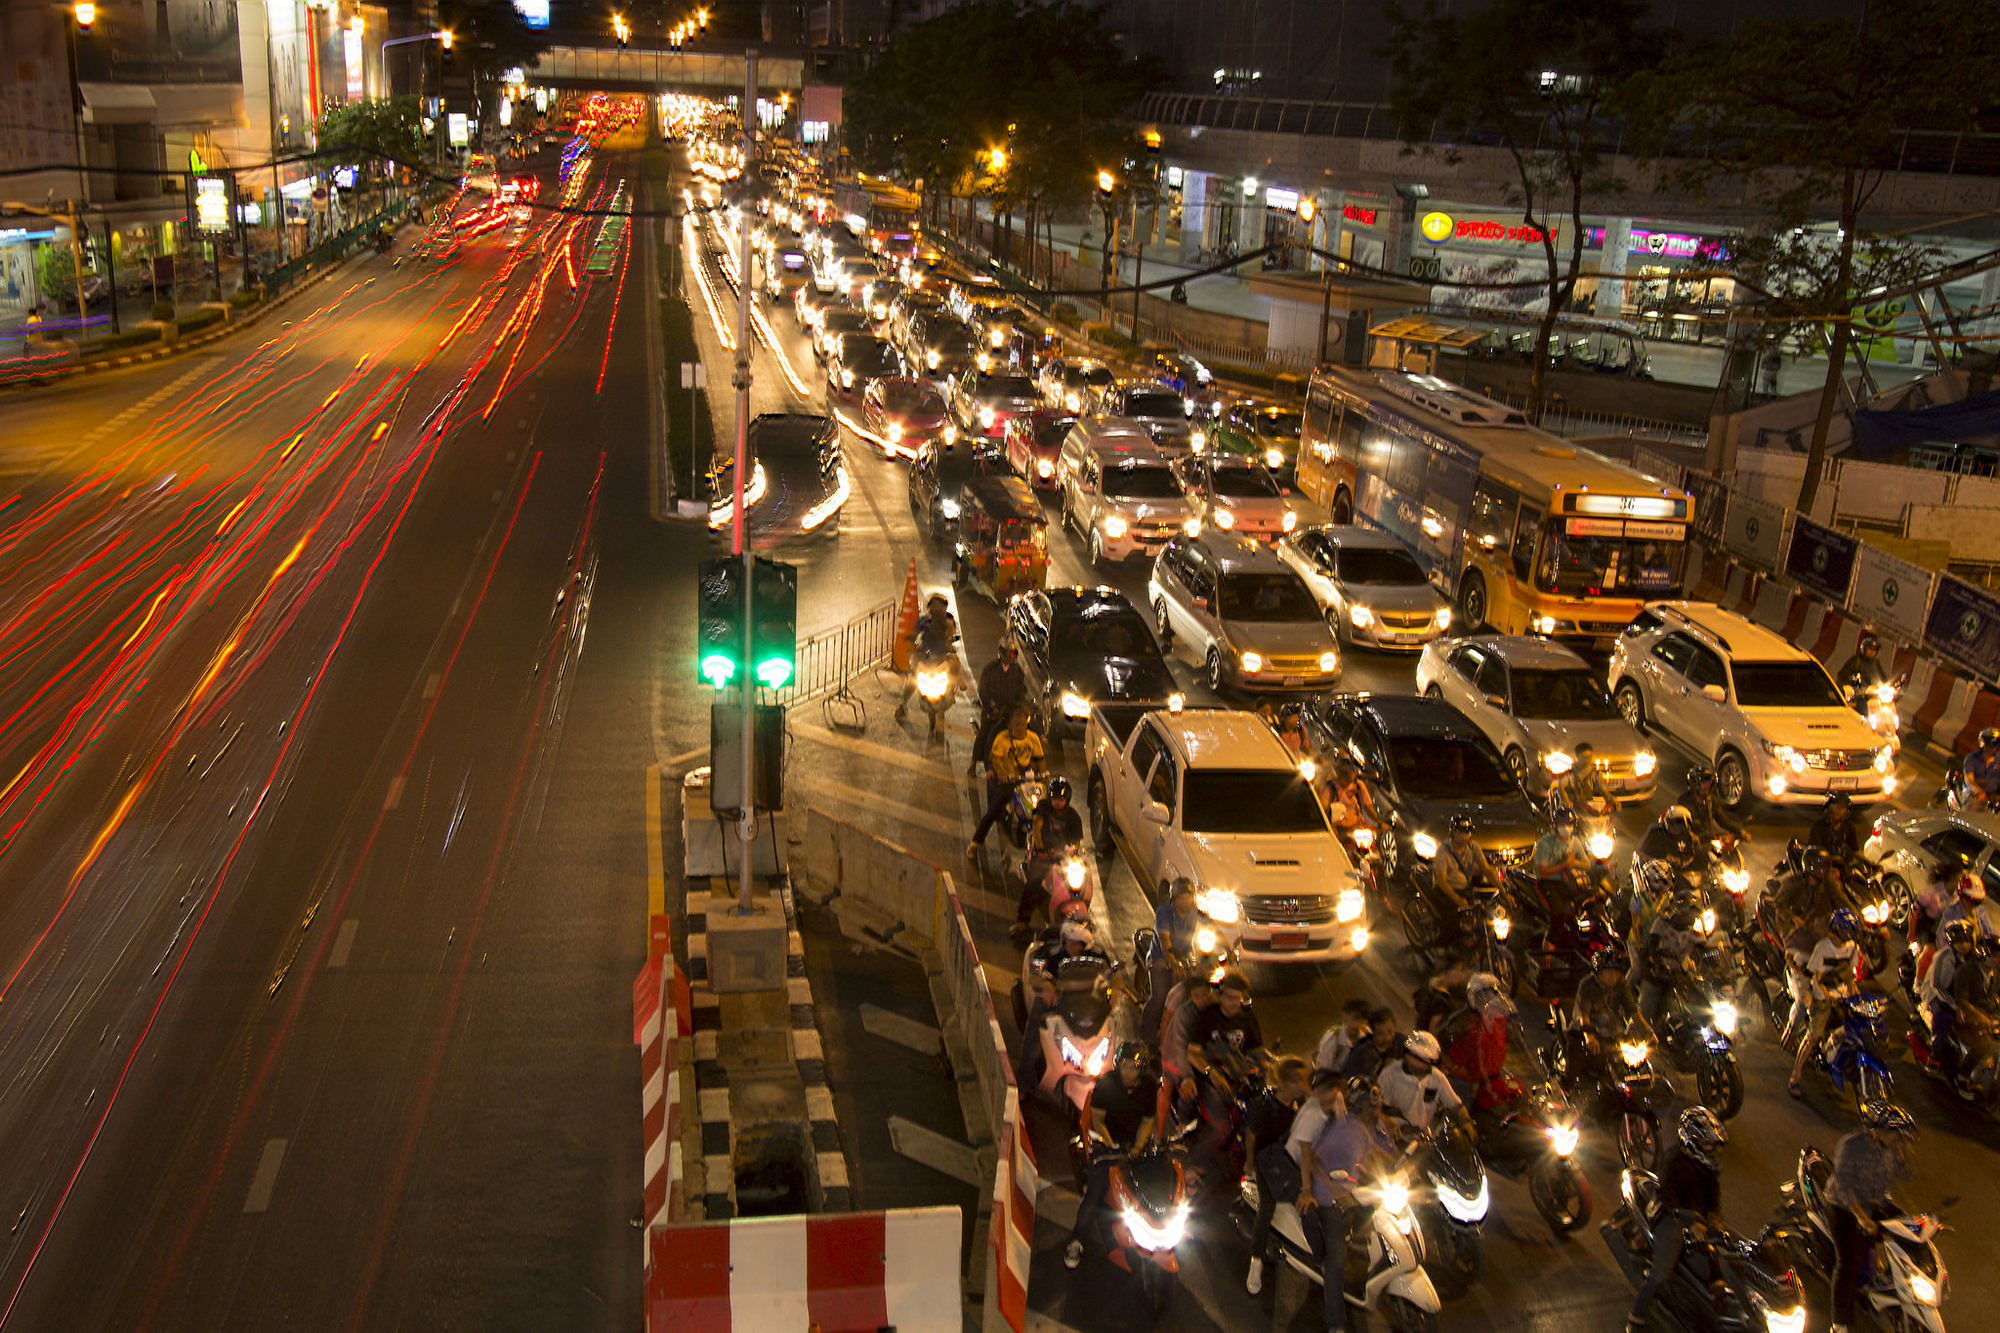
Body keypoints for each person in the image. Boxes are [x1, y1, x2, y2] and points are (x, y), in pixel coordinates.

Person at [1298, 1078, 1398, 1331]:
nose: (1379, 1112)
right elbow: (1314, 1157)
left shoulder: (1363, 1129)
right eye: (1374, 1108)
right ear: (1362, 1108)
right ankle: (1337, 1324)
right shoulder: (1346, 1132)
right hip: (1330, 1200)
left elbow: (1374, 1154)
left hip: (1348, 1195)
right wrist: (1331, 1187)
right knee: (1336, 1261)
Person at [1626, 1108, 1729, 1333]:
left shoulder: (1708, 1167)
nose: (1713, 1150)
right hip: (1672, 1219)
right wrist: (1692, 1222)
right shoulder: (1673, 1162)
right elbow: (1670, 1201)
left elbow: (1713, 1197)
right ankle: (1636, 1317)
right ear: (1693, 1141)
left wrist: (1715, 1218)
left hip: (1697, 1220)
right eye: (1709, 1145)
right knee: (1660, 1273)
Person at [1064, 1041, 1162, 1268]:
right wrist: (1111, 1145)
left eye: (1134, 1067)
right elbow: (1097, 1120)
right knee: (1096, 1191)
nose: (1128, 1071)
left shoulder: (1148, 1086)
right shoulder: (1106, 1085)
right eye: (1125, 1065)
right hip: (1107, 1143)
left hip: (1135, 1144)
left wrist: (1137, 1148)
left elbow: (1148, 1120)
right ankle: (1076, 1240)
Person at [1827, 1101, 1918, 1333]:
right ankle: (1839, 1323)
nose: (1898, 1137)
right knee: (1848, 1264)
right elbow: (1845, 1188)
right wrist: (1861, 1218)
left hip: (1874, 1202)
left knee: (1909, 1227)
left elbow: (1905, 1175)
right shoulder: (1851, 1146)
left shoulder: (1892, 1147)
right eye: (1895, 1133)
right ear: (1878, 1131)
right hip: (1845, 1208)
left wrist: (1907, 1154)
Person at [1243, 1055, 1313, 1294]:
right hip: (1266, 1161)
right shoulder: (1265, 1106)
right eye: (1299, 1081)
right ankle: (1256, 1262)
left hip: (1288, 1159)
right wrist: (1250, 1161)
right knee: (1267, 1208)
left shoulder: (1299, 1105)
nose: (1304, 1086)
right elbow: (1251, 1135)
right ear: (1284, 1082)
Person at [1787, 908, 1862, 1098]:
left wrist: (1856, 997)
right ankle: (1795, 1077)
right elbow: (1817, 979)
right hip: (1822, 997)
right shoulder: (1823, 948)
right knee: (1814, 1036)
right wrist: (1827, 994)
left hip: (1841, 995)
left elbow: (1850, 977)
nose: (1847, 936)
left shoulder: (1853, 948)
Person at [1919, 918, 1995, 1076]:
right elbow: (1938, 986)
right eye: (1960, 941)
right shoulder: (1944, 957)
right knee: (1943, 1021)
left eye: (1967, 941)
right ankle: (1934, 1056)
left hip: (1958, 998)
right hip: (1941, 998)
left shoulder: (1973, 958)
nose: (1964, 945)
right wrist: (1956, 1006)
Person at [967, 707, 1043, 859]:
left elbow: (1040, 760)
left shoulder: (1033, 738)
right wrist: (1004, 776)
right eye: (1017, 724)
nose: (1021, 727)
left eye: (1023, 723)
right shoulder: (1002, 739)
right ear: (1010, 725)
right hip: (1009, 783)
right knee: (993, 811)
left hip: (1028, 782)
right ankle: (975, 843)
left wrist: (1041, 777)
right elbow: (996, 761)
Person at [1013, 778, 1084, 938]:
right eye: (1054, 798)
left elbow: (1076, 842)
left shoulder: (1074, 817)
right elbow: (1037, 828)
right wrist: (1041, 849)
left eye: (1060, 799)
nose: (1057, 802)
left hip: (1062, 856)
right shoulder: (1044, 808)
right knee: (1033, 884)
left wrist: (1074, 854)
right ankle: (1022, 921)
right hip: (1043, 853)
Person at [1377, 1028, 1472, 1137]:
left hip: (1421, 1138)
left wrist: (1466, 1122)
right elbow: (1375, 1107)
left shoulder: (1437, 1078)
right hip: (1392, 1138)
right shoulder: (1389, 1075)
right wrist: (1388, 1122)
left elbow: (1456, 1106)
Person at [1638, 887, 1706, 1026]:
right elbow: (1652, 947)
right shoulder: (1661, 923)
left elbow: (1702, 950)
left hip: (1680, 975)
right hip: (1657, 975)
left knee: (1703, 1007)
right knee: (1645, 1014)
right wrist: (1660, 965)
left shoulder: (1695, 929)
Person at [1571, 945, 1645, 1073]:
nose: (1613, 976)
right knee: (1575, 1063)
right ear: (1598, 972)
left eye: (1616, 972)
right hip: (1584, 1028)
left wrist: (1648, 1032)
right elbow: (1584, 1014)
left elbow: (1632, 1009)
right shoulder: (1587, 985)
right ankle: (1565, 1086)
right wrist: (1589, 1036)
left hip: (1611, 1029)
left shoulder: (1621, 984)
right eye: (1609, 972)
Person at [1143, 879, 1202, 1036]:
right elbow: (1164, 939)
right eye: (1181, 897)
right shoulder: (1164, 912)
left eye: (1188, 896)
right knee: (1159, 997)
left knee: (1198, 990)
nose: (1185, 901)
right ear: (1174, 898)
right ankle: (1146, 1033)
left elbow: (1212, 927)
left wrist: (1227, 948)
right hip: (1160, 957)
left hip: (1184, 956)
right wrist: (1172, 962)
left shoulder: (1194, 912)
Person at [896, 593, 960, 722]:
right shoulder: (925, 620)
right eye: (934, 606)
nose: (937, 609)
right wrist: (911, 647)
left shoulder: (948, 620)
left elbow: (952, 635)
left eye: (939, 606)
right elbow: (914, 635)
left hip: (942, 658)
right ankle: (902, 705)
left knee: (955, 669)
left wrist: (950, 643)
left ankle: (953, 691)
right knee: (914, 678)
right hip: (925, 658)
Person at [971, 639, 1027, 776]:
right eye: (1009, 653)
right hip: (992, 710)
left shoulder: (1018, 671)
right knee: (984, 732)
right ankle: (972, 765)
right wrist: (991, 706)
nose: (1011, 657)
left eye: (1013, 654)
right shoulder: (990, 669)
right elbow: (982, 690)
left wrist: (1023, 706)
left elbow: (1022, 692)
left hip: (1010, 710)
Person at [1431, 815, 1500, 922]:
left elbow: (1487, 870)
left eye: (1466, 832)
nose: (1463, 836)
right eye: (1460, 832)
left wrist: (1504, 891)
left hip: (1465, 890)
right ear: (1453, 833)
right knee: (1450, 924)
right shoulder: (1443, 852)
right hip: (1445, 892)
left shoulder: (1473, 847)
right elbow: (1442, 882)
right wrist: (1457, 899)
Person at [1186, 971, 1263, 1057]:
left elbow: (1257, 1049)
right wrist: (1210, 1070)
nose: (1235, 1003)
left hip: (1240, 1067)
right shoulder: (1206, 1018)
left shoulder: (1247, 1016)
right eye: (1230, 998)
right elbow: (1192, 1054)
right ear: (1219, 996)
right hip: (1211, 1068)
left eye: (1237, 998)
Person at [1677, 765, 1748, 844]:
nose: (1707, 787)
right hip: (1694, 845)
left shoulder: (1711, 801)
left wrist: (1739, 831)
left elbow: (1723, 820)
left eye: (1709, 785)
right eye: (1704, 784)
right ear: (1695, 784)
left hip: (1710, 840)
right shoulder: (1684, 802)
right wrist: (1692, 836)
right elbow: (1681, 827)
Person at [1339, 1007, 1403, 1081]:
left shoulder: (1400, 1041)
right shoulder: (1361, 1050)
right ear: (1372, 1033)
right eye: (1381, 1034)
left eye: (1390, 1031)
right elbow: (1346, 1079)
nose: (1387, 1037)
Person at [1552, 741, 1614, 815]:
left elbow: (1603, 790)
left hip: (1588, 809)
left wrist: (1612, 799)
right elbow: (1561, 788)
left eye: (1589, 757)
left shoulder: (1595, 774)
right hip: (1570, 809)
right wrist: (1566, 800)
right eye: (1584, 758)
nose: (1587, 760)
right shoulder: (1568, 774)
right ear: (1577, 756)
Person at [1315, 998, 1373, 1074]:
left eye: (1362, 1020)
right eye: (1355, 1019)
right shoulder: (1333, 1038)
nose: (1358, 1024)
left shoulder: (1367, 1035)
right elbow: (1323, 1070)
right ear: (1345, 1016)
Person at [1808, 794, 1864, 871]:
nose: (1840, 811)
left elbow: (1856, 850)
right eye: (1837, 808)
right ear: (1830, 808)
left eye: (1843, 808)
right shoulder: (1818, 826)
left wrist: (1868, 864)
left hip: (1844, 868)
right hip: (1823, 867)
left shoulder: (1849, 827)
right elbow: (1815, 853)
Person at [1836, 632, 1890, 702]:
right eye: (1870, 649)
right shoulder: (1856, 661)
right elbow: (1843, 676)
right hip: (1856, 697)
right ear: (1864, 649)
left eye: (1874, 650)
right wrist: (1855, 685)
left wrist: (1886, 685)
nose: (1872, 652)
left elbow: (1882, 677)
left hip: (1871, 696)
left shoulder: (1875, 663)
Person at [1963, 727, 2000, 808]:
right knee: (1972, 806)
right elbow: (1969, 780)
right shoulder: (1971, 758)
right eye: (1991, 744)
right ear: (1984, 743)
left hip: (1993, 795)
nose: (1994, 747)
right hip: (1974, 794)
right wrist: (1978, 791)